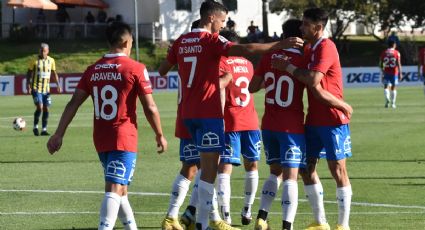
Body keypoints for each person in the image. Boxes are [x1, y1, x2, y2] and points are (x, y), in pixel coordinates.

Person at [157, 1, 303, 229]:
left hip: (186, 114)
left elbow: (163, 70)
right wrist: (278, 44)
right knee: (209, 172)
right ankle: (203, 224)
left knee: (197, 168)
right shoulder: (212, 41)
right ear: (211, 18)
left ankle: (192, 218)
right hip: (209, 113)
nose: (223, 25)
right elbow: (246, 50)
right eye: (222, 20)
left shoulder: (181, 41)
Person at [46, 22, 168, 230]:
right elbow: (151, 107)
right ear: (125, 42)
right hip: (123, 137)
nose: (131, 45)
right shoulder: (136, 68)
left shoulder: (93, 70)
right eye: (131, 42)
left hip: (101, 138)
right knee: (114, 188)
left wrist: (59, 133)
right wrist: (159, 134)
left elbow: (73, 103)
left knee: (120, 189)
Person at [271, 8, 353, 230]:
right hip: (314, 119)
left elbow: (313, 79)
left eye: (306, 24)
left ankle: (343, 225)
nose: (301, 27)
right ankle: (320, 221)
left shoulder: (326, 47)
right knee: (306, 169)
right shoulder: (310, 49)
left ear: (318, 27)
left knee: (338, 170)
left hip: (333, 120)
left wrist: (286, 67)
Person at [249, 19, 306, 230]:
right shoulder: (302, 59)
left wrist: (269, 79)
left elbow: (252, 87)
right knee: (291, 176)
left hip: (269, 125)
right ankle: (287, 226)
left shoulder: (268, 57)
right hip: (291, 126)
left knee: (275, 172)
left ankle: (262, 218)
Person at [215, 30, 261, 226]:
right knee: (252, 166)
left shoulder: (222, 63)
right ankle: (248, 209)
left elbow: (219, 88)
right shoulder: (248, 64)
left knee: (225, 168)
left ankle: (226, 216)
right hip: (251, 120)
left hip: (230, 120)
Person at [26, 43, 61, 136]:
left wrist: (58, 84)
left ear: (47, 51)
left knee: (46, 108)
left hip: (46, 90)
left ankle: (44, 129)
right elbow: (28, 73)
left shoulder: (51, 61)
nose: (42, 52)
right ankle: (35, 127)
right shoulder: (34, 60)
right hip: (35, 88)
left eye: (44, 51)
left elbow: (54, 73)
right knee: (40, 107)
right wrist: (28, 85)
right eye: (41, 50)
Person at [380, 40, 402, 108]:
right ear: (393, 45)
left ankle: (387, 100)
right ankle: (393, 103)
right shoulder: (396, 53)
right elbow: (398, 63)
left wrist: (382, 71)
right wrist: (400, 73)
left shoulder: (383, 53)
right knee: (393, 87)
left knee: (386, 87)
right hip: (394, 72)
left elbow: (381, 63)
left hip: (386, 72)